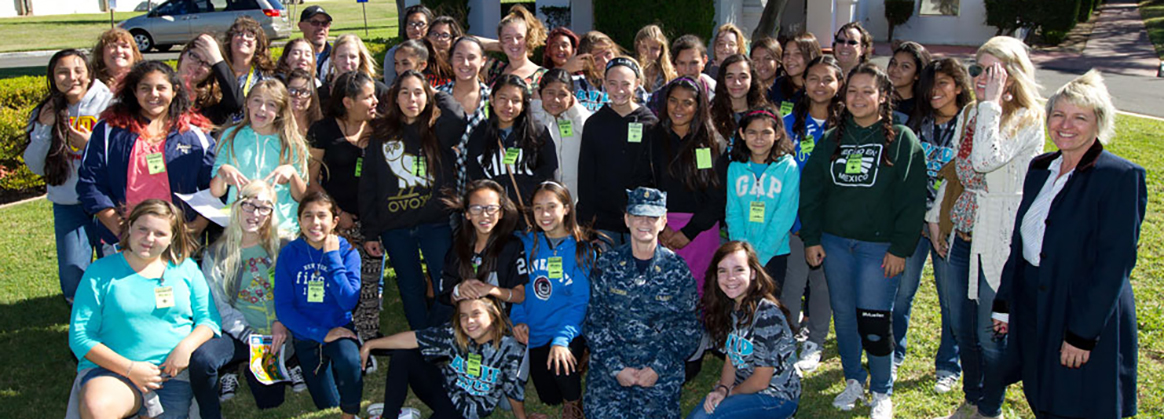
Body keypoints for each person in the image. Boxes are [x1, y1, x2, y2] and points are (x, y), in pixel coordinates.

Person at [993, 70, 1145, 419]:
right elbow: (1021, 244)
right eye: (1058, 115)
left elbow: (1114, 263)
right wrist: (1005, 303)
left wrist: (1082, 334)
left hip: (1080, 306)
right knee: (1041, 392)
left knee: (1078, 402)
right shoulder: (1041, 168)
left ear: (1099, 123)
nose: (1066, 125)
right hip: (1035, 302)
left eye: (1080, 117)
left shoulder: (1119, 177)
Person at [799, 63, 926, 419]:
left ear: (882, 96)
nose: (858, 98)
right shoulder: (831, 140)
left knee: (873, 316)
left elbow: (913, 198)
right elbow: (812, 193)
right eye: (852, 90)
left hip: (879, 248)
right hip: (836, 243)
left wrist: (901, 247)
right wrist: (811, 238)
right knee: (844, 315)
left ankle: (882, 390)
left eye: (867, 91)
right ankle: (854, 379)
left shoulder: (901, 140)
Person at [933, 36, 1046, 419]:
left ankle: (990, 409)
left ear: (1012, 75)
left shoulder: (1027, 118)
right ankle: (972, 396)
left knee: (989, 330)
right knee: (961, 326)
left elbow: (983, 160)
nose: (981, 77)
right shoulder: (970, 114)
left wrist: (991, 106)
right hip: (962, 231)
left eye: (992, 70)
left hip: (998, 238)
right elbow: (956, 172)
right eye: (977, 69)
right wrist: (936, 218)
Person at [65, 199, 221, 419]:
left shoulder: (186, 269)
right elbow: (80, 337)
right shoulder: (100, 271)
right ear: (129, 228)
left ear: (172, 238)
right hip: (113, 372)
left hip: (170, 375)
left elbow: (209, 320)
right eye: (143, 229)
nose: (149, 239)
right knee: (97, 407)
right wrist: (130, 369)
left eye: (159, 233)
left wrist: (186, 346)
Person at [360, 70, 466, 330]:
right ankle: (420, 336)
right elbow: (369, 183)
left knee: (444, 281)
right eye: (404, 92)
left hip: (435, 224)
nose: (411, 99)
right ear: (395, 98)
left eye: (418, 92)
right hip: (395, 226)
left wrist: (435, 94)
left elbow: (458, 116)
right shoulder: (381, 133)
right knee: (410, 285)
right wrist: (370, 232)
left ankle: (440, 331)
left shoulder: (437, 129)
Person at [584, 187, 701, 419]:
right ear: (627, 220)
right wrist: (616, 368)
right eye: (638, 216)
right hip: (611, 373)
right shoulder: (607, 265)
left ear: (663, 221)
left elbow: (688, 328)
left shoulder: (677, 270)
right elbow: (594, 323)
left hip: (658, 374)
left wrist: (657, 368)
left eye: (652, 217)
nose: (645, 223)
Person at [76, 60, 216, 253]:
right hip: (122, 239)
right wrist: (119, 228)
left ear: (174, 91)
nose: (154, 95)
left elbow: (213, 186)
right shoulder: (109, 131)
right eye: (145, 88)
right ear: (134, 91)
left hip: (177, 240)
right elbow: (90, 182)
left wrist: (196, 227)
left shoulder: (195, 135)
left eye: (161, 88)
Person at [190, 181, 298, 418]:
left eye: (263, 208)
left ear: (271, 213)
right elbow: (220, 307)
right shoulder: (215, 254)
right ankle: (210, 413)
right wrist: (251, 338)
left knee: (271, 403)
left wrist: (282, 321)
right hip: (243, 335)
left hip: (280, 332)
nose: (255, 214)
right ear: (237, 206)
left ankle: (284, 361)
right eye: (249, 205)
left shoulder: (284, 246)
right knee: (202, 359)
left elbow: (295, 293)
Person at [904, 57, 973, 394]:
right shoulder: (919, 123)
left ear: (959, 86)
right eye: (930, 83)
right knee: (902, 293)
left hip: (951, 224)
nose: (935, 91)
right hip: (915, 221)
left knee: (951, 300)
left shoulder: (970, 125)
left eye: (944, 83)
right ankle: (894, 352)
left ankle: (948, 365)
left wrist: (941, 220)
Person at [23, 49, 112, 305]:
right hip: (68, 203)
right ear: (53, 76)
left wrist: (90, 145)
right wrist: (43, 127)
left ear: (89, 73)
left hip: (107, 201)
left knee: (115, 267)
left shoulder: (110, 105)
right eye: (62, 72)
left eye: (77, 70)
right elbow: (34, 166)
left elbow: (125, 158)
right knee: (73, 277)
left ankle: (114, 322)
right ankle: (82, 320)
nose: (71, 77)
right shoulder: (46, 110)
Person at [307, 71, 384, 339]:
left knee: (368, 283)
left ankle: (367, 337)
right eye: (368, 96)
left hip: (372, 221)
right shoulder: (323, 130)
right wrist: (338, 214)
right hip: (334, 222)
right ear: (348, 102)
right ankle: (331, 335)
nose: (375, 100)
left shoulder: (381, 129)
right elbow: (311, 179)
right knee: (334, 280)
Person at [273, 191, 363, 419]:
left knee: (350, 362)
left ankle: (350, 413)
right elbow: (284, 307)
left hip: (340, 327)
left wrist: (332, 256)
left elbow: (349, 300)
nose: (315, 223)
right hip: (307, 333)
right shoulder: (288, 254)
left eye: (322, 216)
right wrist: (322, 333)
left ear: (334, 221)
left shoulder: (347, 251)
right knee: (327, 404)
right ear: (299, 220)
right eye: (308, 216)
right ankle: (327, 370)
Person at [634, 76, 727, 296]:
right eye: (673, 100)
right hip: (659, 227)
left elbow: (718, 195)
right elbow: (643, 183)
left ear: (698, 106)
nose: (679, 108)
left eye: (687, 102)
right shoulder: (653, 137)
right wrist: (662, 228)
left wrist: (689, 231)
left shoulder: (711, 141)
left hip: (701, 230)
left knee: (700, 293)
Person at [360, 296, 526, 419]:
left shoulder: (510, 349)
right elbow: (414, 338)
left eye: (476, 314)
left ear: (493, 316)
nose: (469, 321)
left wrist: (522, 418)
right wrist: (371, 345)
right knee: (404, 355)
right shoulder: (456, 333)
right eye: (463, 315)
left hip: (468, 409)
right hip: (446, 389)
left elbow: (513, 390)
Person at [511, 182, 595, 419]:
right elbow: (517, 290)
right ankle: (573, 366)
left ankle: (575, 403)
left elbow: (579, 301)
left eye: (551, 207)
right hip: (535, 331)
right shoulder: (525, 244)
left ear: (566, 208)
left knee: (561, 364)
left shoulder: (581, 249)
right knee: (549, 397)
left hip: (567, 330)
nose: (545, 214)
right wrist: (518, 320)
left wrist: (561, 340)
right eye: (538, 208)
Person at [780, 55, 842, 373]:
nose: (820, 85)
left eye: (827, 79)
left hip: (830, 224)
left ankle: (815, 340)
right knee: (792, 284)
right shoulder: (788, 124)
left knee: (822, 285)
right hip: (794, 221)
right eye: (813, 78)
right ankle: (786, 341)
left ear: (838, 84)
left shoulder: (846, 126)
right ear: (804, 83)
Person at [690, 241, 800, 419]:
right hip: (744, 390)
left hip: (775, 396)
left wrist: (730, 394)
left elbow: (761, 381)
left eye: (739, 269)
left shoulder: (766, 314)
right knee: (698, 415)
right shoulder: (732, 308)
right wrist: (722, 388)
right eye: (722, 271)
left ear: (753, 273)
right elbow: (731, 359)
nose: (730, 277)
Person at [576, 58, 659, 246]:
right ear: (604, 83)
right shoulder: (594, 124)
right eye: (612, 84)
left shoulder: (650, 123)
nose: (619, 90)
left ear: (637, 84)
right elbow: (586, 174)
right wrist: (585, 220)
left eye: (625, 84)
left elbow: (656, 173)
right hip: (603, 222)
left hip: (640, 218)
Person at [210, 79, 310, 235]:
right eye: (257, 101)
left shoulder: (292, 142)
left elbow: (302, 196)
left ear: (280, 110)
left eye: (271, 104)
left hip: (281, 230)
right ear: (248, 103)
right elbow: (216, 192)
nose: (262, 109)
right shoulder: (231, 136)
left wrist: (292, 173)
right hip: (239, 228)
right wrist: (223, 172)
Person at [465, 75, 558, 222]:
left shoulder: (538, 133)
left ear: (523, 106)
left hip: (530, 218)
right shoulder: (480, 134)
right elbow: (474, 176)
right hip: (493, 220)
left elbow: (549, 174)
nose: (508, 105)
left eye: (516, 101)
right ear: (492, 99)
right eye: (502, 98)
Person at [725, 108, 798, 284]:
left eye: (766, 132)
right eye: (752, 132)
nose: (759, 139)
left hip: (775, 253)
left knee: (769, 305)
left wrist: (759, 257)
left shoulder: (788, 168)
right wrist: (742, 252)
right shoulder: (735, 168)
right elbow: (733, 212)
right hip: (741, 255)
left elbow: (784, 215)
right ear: (742, 134)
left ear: (778, 134)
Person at [436, 179, 528, 312]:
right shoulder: (459, 246)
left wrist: (491, 290)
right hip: (465, 322)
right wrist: (459, 290)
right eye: (476, 208)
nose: (484, 215)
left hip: (499, 324)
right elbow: (445, 296)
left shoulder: (512, 246)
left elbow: (519, 296)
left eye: (491, 208)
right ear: (467, 214)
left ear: (501, 213)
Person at [438, 36, 492, 193]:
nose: (465, 63)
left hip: (483, 189)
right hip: (444, 188)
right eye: (459, 57)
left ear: (483, 61)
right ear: (451, 60)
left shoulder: (493, 99)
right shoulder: (437, 97)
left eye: (471, 57)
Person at [531, 69, 592, 197]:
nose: (556, 100)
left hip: (577, 196)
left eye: (562, 94)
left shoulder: (577, 117)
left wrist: (575, 109)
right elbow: (534, 131)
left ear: (571, 96)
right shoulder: (537, 117)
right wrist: (535, 106)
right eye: (550, 93)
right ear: (540, 93)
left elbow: (591, 133)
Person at [176, 34, 244, 127]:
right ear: (184, 54)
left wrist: (217, 59)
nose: (199, 65)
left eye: (207, 63)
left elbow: (237, 103)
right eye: (195, 56)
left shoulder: (214, 102)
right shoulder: (162, 86)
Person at [570, 31, 646, 112]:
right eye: (597, 59)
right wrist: (565, 69)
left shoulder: (630, 85)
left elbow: (640, 116)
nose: (605, 61)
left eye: (608, 54)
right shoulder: (574, 84)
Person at [223, 16, 276, 122]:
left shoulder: (265, 76)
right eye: (238, 34)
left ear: (258, 44)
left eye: (250, 35)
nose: (244, 38)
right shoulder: (220, 71)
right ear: (230, 40)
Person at [710, 54, 771, 144]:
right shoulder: (710, 117)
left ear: (752, 79)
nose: (736, 82)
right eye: (730, 77)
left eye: (743, 77)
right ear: (723, 80)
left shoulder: (765, 116)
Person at [483, 5, 548, 87]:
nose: (514, 42)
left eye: (519, 37)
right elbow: (465, 43)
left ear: (528, 38)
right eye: (507, 37)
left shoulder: (543, 76)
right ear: (500, 39)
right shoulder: (494, 69)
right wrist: (501, 45)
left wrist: (507, 45)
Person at [325, 34, 389, 113]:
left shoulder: (379, 91)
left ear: (361, 59)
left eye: (353, 57)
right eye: (342, 56)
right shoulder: (323, 92)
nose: (347, 61)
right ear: (333, 58)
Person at [769, 33, 822, 113]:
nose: (790, 59)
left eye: (797, 53)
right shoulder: (778, 85)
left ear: (811, 55)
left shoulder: (818, 90)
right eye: (786, 54)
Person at [384, 4, 433, 87]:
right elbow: (390, 86)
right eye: (411, 24)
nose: (416, 28)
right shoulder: (394, 53)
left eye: (421, 24)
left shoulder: (435, 51)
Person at [887, 41, 932, 124]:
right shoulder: (879, 99)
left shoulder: (925, 108)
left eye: (905, 66)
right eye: (894, 63)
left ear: (917, 74)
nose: (895, 70)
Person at [635, 24, 677, 93]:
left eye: (654, 48)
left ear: (661, 50)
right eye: (644, 47)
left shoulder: (669, 75)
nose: (648, 52)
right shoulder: (631, 72)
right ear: (637, 47)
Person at [297, 5, 334, 83]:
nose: (320, 28)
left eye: (325, 23)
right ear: (300, 26)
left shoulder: (337, 56)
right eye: (315, 23)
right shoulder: (292, 57)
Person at [285, 68, 324, 138]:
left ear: (312, 96)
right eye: (292, 90)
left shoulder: (321, 127)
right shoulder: (276, 124)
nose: (297, 95)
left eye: (304, 91)